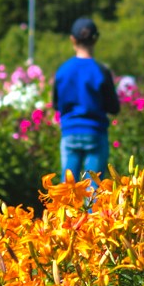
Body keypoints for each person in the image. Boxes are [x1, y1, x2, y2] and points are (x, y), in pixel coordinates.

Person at [53, 16, 119, 181]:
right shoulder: (101, 70)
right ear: (95, 39)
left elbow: (56, 104)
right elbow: (114, 107)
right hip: (95, 132)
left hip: (70, 132)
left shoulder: (63, 70)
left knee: (67, 189)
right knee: (94, 189)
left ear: (72, 39)